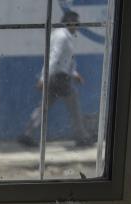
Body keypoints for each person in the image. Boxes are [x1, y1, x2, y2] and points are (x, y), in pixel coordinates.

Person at [18, 10, 93, 147]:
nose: (77, 25)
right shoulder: (62, 37)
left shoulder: (63, 35)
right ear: (69, 21)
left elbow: (64, 60)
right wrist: (43, 77)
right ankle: (82, 137)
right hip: (59, 78)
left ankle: (27, 134)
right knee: (74, 106)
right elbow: (54, 58)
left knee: (44, 107)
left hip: (58, 77)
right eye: (76, 22)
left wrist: (74, 74)